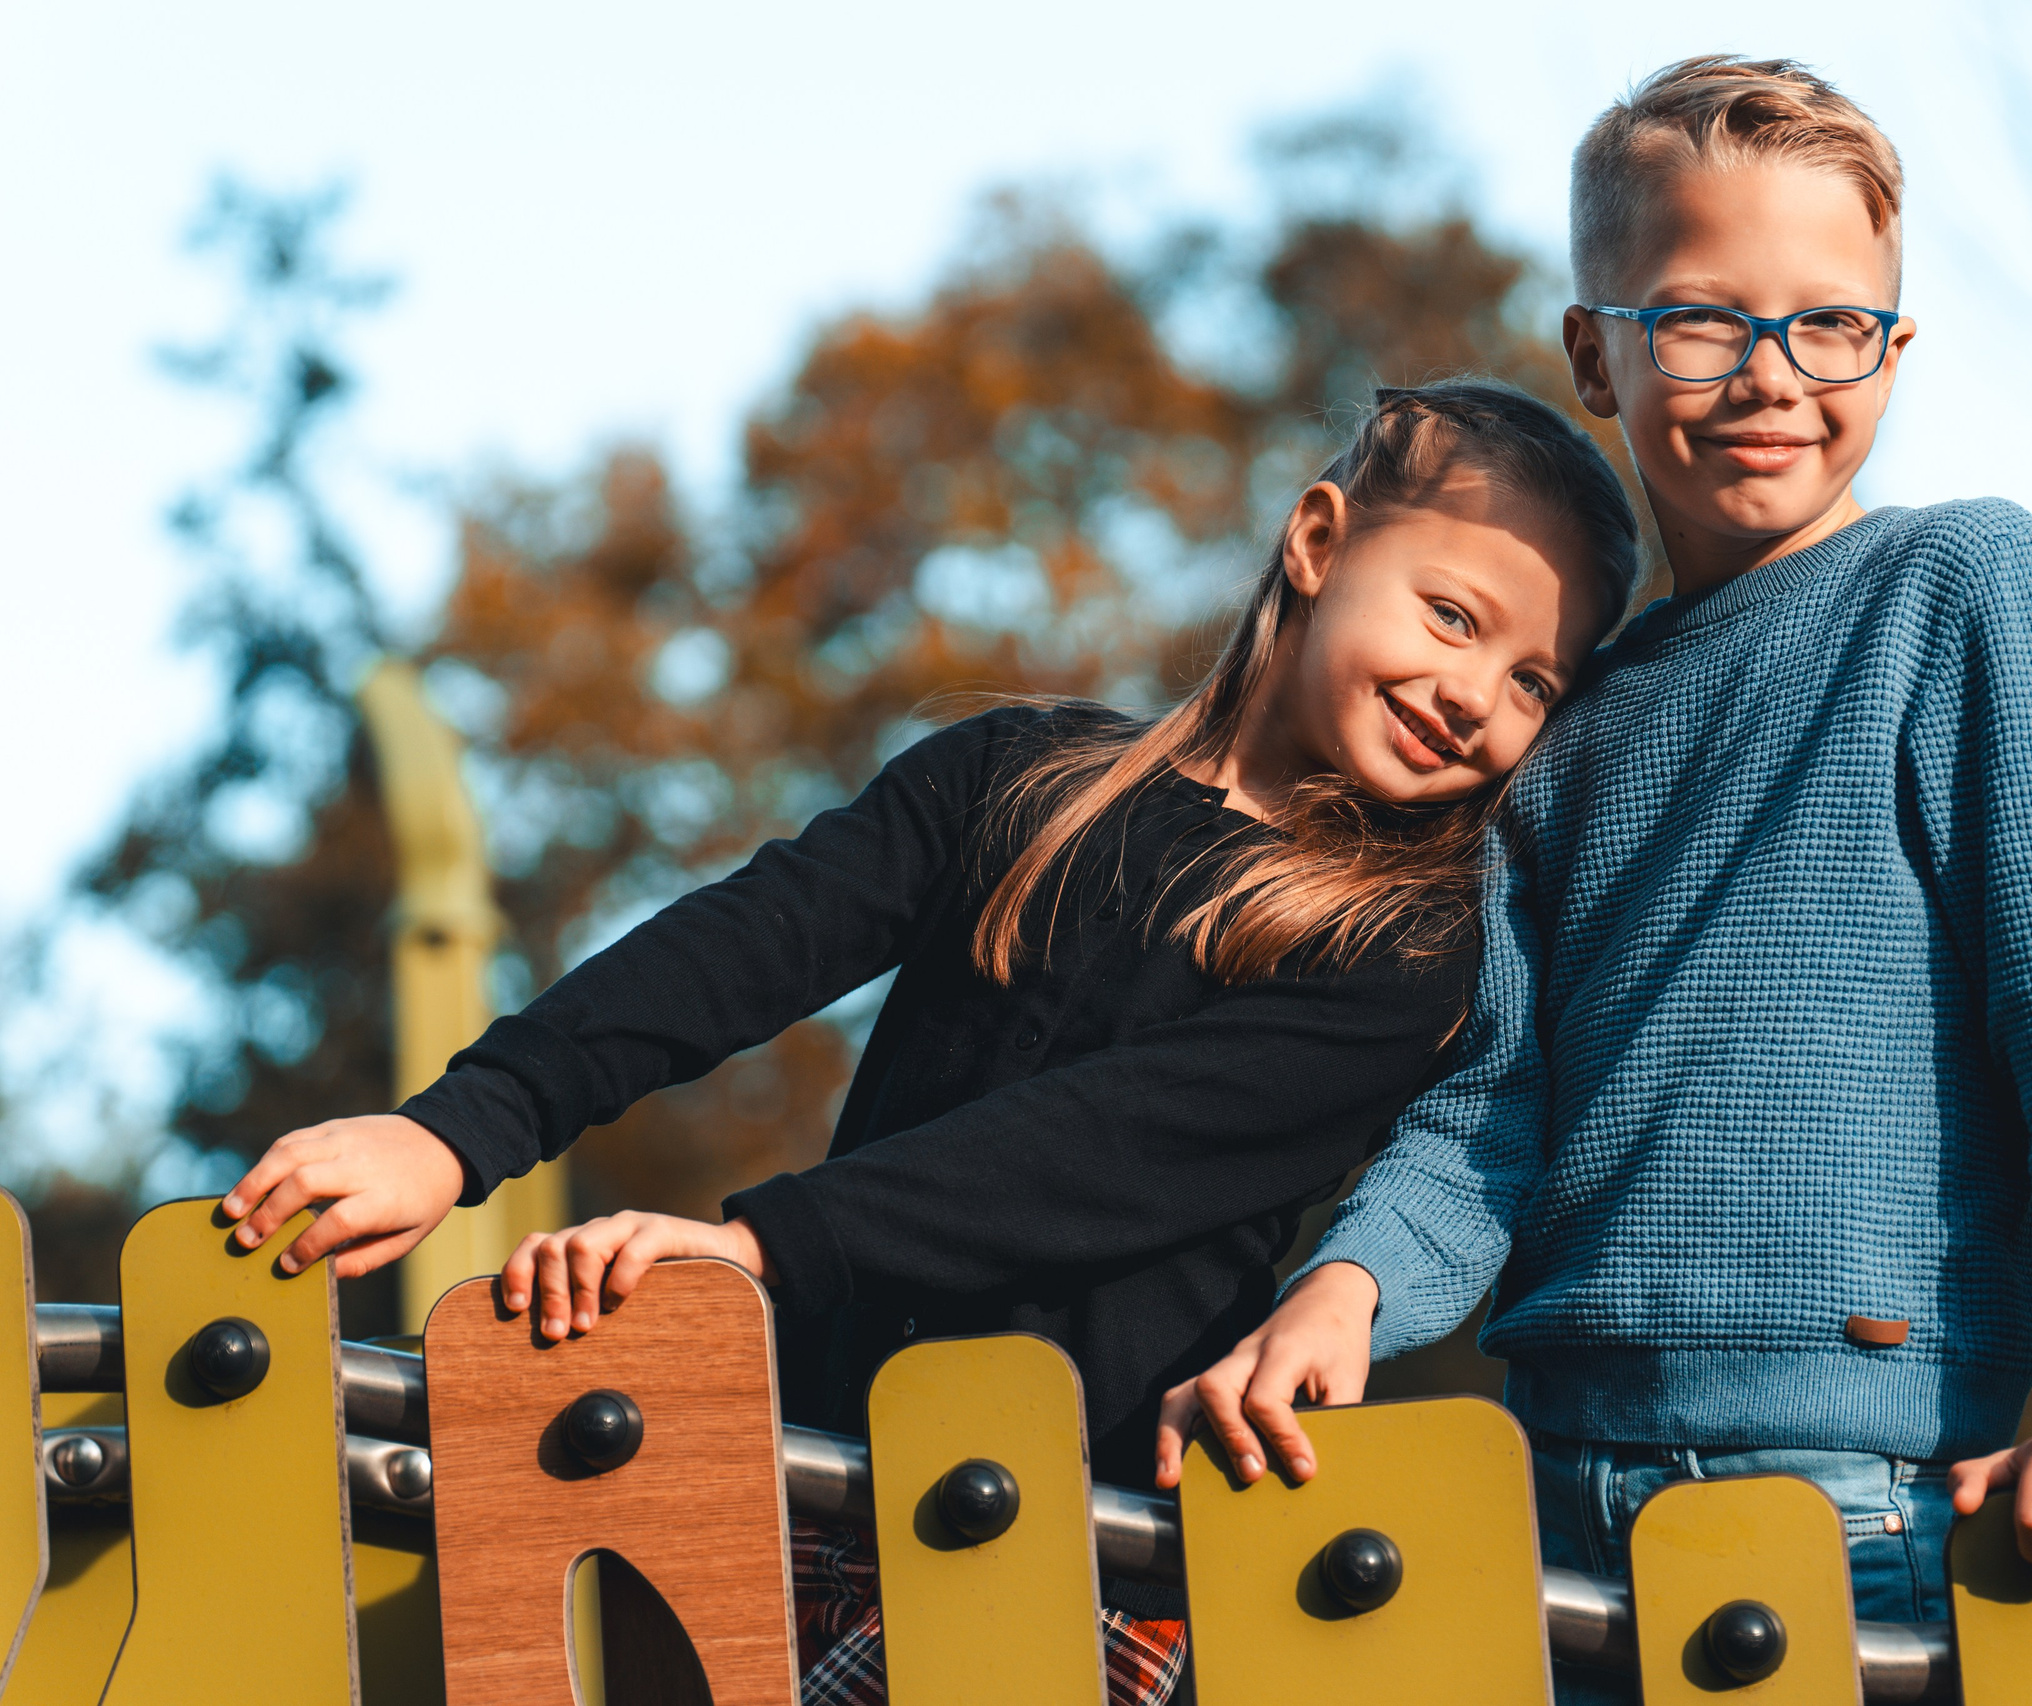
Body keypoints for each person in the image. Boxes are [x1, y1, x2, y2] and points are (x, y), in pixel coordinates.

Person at [218, 380, 1640, 1706]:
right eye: (1455, 618)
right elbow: (746, 941)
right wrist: (465, 1126)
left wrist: (759, 1247)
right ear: (1321, 541)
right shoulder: (1013, 780)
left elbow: (1089, 1151)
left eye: (1534, 683)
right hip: (814, 1476)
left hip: (1074, 1538)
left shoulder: (1398, 951)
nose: (1477, 694)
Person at [1161, 56, 2032, 1691]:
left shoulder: (1961, 590)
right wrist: (1344, 1291)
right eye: (1705, 318)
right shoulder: (1558, 728)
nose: (1775, 374)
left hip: (1854, 1500)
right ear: (1598, 349)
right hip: (1551, 1515)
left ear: (1895, 341)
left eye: (1834, 322)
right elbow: (1490, 1109)